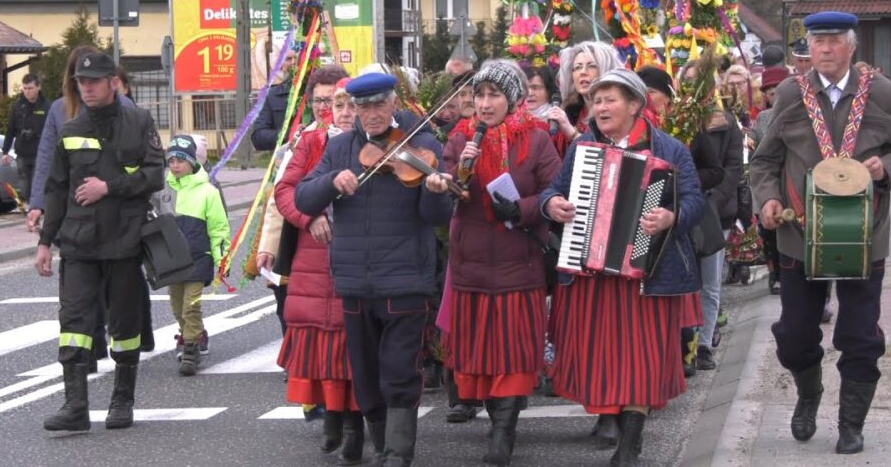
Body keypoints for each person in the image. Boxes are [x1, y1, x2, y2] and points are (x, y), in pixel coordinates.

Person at [751, 11, 891, 455]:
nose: (822, 49)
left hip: (864, 236)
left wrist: (887, 169)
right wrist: (767, 200)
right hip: (800, 235)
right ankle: (809, 392)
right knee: (794, 335)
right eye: (815, 41)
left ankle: (851, 423)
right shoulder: (790, 93)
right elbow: (764, 161)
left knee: (861, 336)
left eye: (832, 41)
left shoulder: (880, 93)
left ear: (851, 46)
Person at [541, 69, 703, 467]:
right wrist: (552, 206)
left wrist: (670, 217)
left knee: (644, 357)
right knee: (604, 355)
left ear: (635, 105)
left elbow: (697, 201)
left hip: (649, 275)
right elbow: (553, 190)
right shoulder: (582, 149)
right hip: (594, 274)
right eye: (596, 102)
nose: (600, 108)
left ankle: (631, 440)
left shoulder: (669, 149)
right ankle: (610, 418)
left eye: (610, 100)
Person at [295, 72, 454, 467]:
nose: (371, 113)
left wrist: (435, 192)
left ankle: (398, 455)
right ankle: (382, 446)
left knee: (400, 371)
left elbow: (436, 216)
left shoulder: (421, 143)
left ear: (393, 101)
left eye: (379, 104)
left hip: (404, 280)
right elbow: (303, 195)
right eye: (362, 106)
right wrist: (333, 181)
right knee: (365, 377)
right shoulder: (341, 148)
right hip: (353, 281)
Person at [430, 60, 561, 466]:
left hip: (518, 261)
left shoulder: (535, 140)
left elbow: (552, 192)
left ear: (514, 99)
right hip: (470, 260)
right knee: (480, 352)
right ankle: (493, 413)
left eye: (494, 95)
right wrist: (453, 176)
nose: (485, 104)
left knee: (514, 350)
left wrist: (519, 208)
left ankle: (505, 427)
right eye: (479, 95)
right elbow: (446, 195)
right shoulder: (459, 139)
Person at [34, 52, 165, 432]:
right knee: (74, 321)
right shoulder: (70, 129)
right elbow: (57, 189)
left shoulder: (138, 122)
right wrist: (45, 241)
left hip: (124, 241)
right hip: (78, 243)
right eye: (81, 82)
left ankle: (122, 401)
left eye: (94, 81)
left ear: (113, 82)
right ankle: (75, 405)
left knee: (124, 325)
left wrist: (110, 187)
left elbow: (155, 175)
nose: (87, 87)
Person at [272, 75, 367, 464]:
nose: (345, 113)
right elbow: (284, 192)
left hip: (358, 258)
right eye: (338, 105)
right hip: (315, 261)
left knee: (354, 348)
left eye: (352, 106)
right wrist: (307, 217)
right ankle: (331, 417)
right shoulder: (311, 142)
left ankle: (354, 426)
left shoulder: (373, 144)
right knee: (323, 349)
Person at [639, 66, 721, 378]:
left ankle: (695, 349)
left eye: (653, 94)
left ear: (667, 98)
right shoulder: (637, 131)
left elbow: (716, 170)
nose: (648, 100)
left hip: (689, 217)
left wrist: (677, 180)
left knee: (698, 286)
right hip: (651, 221)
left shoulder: (684, 126)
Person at [681, 57, 742, 371]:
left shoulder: (727, 123)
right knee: (683, 280)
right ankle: (684, 344)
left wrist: (710, 204)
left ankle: (704, 343)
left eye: (702, 80)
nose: (696, 87)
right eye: (690, 80)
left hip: (714, 211)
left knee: (709, 282)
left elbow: (732, 170)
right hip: (681, 211)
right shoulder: (676, 119)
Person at [151, 135, 229, 375]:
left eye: (181, 160)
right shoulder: (162, 191)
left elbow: (219, 228)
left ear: (192, 162)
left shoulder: (208, 191)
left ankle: (191, 350)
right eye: (171, 160)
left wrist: (221, 258)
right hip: (173, 261)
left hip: (198, 256)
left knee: (190, 306)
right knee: (176, 307)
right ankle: (190, 334)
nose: (175, 165)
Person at [750, 67, 789, 294]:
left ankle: (788, 273)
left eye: (780, 92)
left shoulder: (798, 114)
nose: (777, 98)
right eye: (772, 93)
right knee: (769, 232)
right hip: (769, 180)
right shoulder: (764, 118)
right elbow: (756, 144)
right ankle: (774, 272)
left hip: (790, 180)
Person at [550, 41, 623, 155]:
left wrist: (573, 134)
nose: (583, 72)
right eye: (577, 67)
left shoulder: (619, 111)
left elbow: (613, 156)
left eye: (591, 66)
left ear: (606, 70)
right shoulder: (570, 112)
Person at [2, 73, 50, 202]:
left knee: (38, 181)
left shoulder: (47, 106)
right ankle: (30, 205)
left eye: (30, 88)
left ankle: (38, 206)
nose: (27, 92)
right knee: (24, 184)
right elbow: (10, 130)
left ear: (38, 87)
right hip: (22, 152)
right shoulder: (18, 106)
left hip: (40, 152)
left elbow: (52, 131)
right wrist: (5, 151)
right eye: (25, 88)